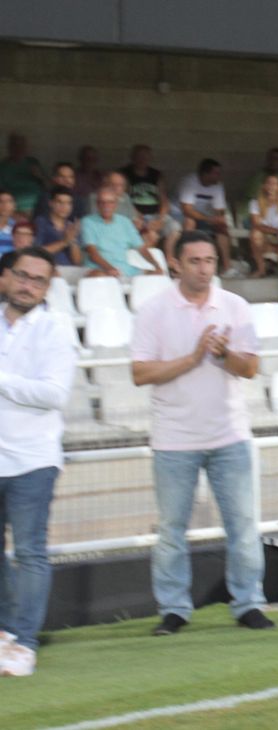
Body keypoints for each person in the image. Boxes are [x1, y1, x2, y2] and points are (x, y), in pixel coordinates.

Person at [131, 231, 274, 635]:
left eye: (209, 260)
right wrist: (194, 357)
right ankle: (174, 609)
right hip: (174, 439)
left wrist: (223, 354)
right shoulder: (153, 310)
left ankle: (249, 603)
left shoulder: (235, 306)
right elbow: (140, 373)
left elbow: (249, 368)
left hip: (230, 435)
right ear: (175, 264)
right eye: (194, 260)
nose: (203, 268)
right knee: (171, 531)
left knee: (243, 527)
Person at [0, 247, 76, 677]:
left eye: (38, 279)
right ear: (6, 277)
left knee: (29, 552)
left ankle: (25, 642)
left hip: (32, 459)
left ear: (47, 287)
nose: (28, 285)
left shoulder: (55, 328)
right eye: (22, 275)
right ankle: (5, 633)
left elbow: (54, 393)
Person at [173, 159, 237, 276]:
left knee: (221, 228)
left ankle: (227, 267)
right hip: (179, 215)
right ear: (205, 174)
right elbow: (187, 210)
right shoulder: (189, 182)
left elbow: (219, 210)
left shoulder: (218, 186)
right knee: (190, 222)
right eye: (216, 173)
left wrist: (219, 221)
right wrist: (210, 219)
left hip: (204, 217)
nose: (219, 176)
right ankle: (186, 261)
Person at [81, 186, 162, 278]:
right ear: (97, 204)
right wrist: (110, 269)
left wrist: (157, 265)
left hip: (125, 270)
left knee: (158, 275)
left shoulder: (125, 222)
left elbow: (142, 248)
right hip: (99, 269)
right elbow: (93, 254)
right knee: (100, 276)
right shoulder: (88, 222)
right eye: (102, 202)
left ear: (116, 204)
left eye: (110, 202)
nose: (106, 206)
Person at [32, 187, 80, 267]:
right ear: (51, 203)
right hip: (46, 268)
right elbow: (37, 253)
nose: (64, 207)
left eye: (68, 203)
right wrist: (64, 242)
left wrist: (72, 240)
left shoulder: (71, 226)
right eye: (59, 202)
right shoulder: (41, 222)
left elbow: (77, 261)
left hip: (68, 269)